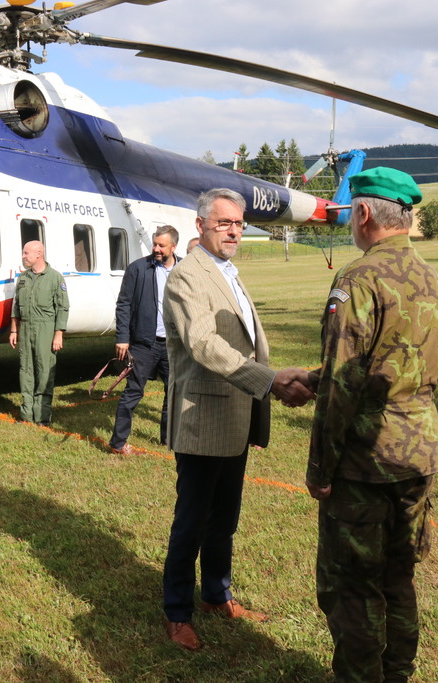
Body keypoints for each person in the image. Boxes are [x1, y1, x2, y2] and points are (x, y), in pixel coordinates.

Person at [305, 167, 438, 683]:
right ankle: (398, 674)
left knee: (353, 588)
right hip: (418, 452)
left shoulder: (359, 279)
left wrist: (320, 467)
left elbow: (344, 384)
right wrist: (319, 374)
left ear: (364, 213)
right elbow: (399, 360)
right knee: (398, 575)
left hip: (367, 461)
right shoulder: (428, 275)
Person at [161, 188, 314, 651]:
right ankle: (177, 612)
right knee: (192, 521)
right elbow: (205, 344)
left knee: (224, 519)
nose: (234, 230)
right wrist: (267, 380)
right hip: (203, 418)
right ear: (201, 225)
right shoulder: (187, 276)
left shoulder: (228, 272)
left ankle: (217, 595)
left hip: (234, 416)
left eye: (238, 222)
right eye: (224, 222)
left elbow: (242, 341)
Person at [108, 225, 179, 454]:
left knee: (174, 392)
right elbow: (124, 304)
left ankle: (169, 440)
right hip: (143, 344)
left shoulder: (185, 269)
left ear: (173, 247)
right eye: (155, 244)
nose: (156, 249)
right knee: (133, 392)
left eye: (161, 245)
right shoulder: (138, 268)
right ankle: (118, 443)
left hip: (174, 345)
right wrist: (122, 338)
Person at [9, 240, 70, 426]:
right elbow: (16, 306)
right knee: (26, 370)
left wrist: (58, 333)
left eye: (26, 253)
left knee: (44, 371)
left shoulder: (55, 278)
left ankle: (43, 415)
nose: (23, 256)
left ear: (39, 254)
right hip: (26, 328)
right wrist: (14, 329)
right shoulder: (23, 278)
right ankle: (27, 414)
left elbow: (63, 307)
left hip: (45, 328)